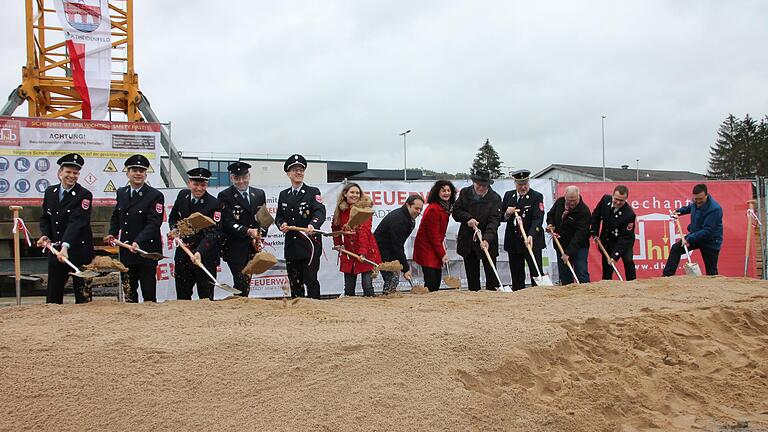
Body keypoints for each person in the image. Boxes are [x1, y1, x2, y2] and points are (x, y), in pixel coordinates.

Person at [104, 154, 165, 302]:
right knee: (129, 292)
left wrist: (138, 241)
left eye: (141, 171)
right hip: (126, 250)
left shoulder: (155, 195)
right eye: (134, 170)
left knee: (148, 292)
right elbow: (117, 216)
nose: (138, 173)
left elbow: (153, 223)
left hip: (146, 251)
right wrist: (112, 233)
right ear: (127, 173)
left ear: (145, 174)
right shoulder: (122, 192)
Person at [37, 153, 95, 304]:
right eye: (68, 172)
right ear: (60, 173)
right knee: (53, 297)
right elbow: (46, 217)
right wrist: (45, 235)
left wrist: (66, 245)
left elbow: (77, 222)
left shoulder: (84, 195)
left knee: (83, 296)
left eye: (75, 173)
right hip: (57, 252)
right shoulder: (50, 192)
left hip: (78, 252)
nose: (72, 176)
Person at [275, 154, 326, 299]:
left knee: (310, 279)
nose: (299, 173)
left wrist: (313, 224)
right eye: (295, 170)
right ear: (288, 173)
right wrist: (282, 225)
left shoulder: (313, 192)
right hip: (292, 246)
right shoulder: (283, 195)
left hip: (309, 245)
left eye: (301, 170)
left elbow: (320, 211)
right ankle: (298, 311)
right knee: (295, 281)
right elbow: (279, 217)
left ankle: (316, 307)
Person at [168, 167, 223, 301]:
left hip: (205, 257)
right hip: (183, 255)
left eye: (203, 185)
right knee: (183, 296)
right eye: (196, 184)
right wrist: (175, 229)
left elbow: (213, 233)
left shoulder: (214, 204)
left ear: (207, 185)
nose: (199, 188)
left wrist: (199, 252)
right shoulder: (182, 195)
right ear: (189, 183)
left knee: (206, 298)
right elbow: (173, 217)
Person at [217, 162, 267, 297]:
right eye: (237, 178)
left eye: (244, 177)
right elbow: (227, 222)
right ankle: (239, 306)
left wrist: (260, 237)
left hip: (253, 247)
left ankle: (242, 304)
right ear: (232, 178)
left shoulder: (259, 194)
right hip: (234, 247)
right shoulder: (224, 196)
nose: (241, 181)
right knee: (241, 280)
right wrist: (248, 231)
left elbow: (264, 220)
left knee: (246, 281)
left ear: (249, 176)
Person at [452, 170, 503, 291]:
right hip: (468, 241)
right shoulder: (465, 193)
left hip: (487, 241)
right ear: (473, 182)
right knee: (472, 276)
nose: (480, 188)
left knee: (491, 274)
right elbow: (456, 212)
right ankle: (474, 296)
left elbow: (494, 221)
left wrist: (486, 239)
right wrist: (467, 219)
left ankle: (492, 297)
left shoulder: (495, 198)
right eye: (478, 185)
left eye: (484, 185)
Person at [331, 183, 381, 296]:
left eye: (357, 193)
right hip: (349, 252)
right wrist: (338, 243)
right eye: (352, 192)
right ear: (345, 194)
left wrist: (362, 252)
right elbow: (335, 227)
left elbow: (364, 232)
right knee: (349, 287)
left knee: (367, 284)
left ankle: (372, 309)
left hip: (367, 250)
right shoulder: (340, 210)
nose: (355, 195)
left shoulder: (364, 210)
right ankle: (350, 311)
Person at [663, 183, 723, 276]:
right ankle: (667, 276)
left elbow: (707, 231)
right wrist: (678, 211)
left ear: (706, 195)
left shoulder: (715, 209)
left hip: (710, 241)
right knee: (676, 249)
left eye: (700, 199)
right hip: (695, 236)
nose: (698, 201)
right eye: (696, 199)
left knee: (711, 271)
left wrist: (689, 239)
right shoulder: (695, 203)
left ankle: (713, 287)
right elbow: (689, 208)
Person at [501, 169, 545, 290]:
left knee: (536, 272)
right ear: (515, 183)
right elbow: (500, 217)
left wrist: (531, 235)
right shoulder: (509, 196)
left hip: (531, 241)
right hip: (514, 243)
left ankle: (538, 296)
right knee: (516, 275)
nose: (523, 187)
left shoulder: (536, 196)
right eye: (520, 184)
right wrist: (507, 213)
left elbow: (538, 219)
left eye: (525, 184)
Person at [374, 194, 424, 294]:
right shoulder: (399, 220)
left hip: (389, 249)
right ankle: (387, 298)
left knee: (393, 278)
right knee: (392, 279)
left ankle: (389, 295)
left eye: (420, 209)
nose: (419, 212)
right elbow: (397, 246)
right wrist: (405, 268)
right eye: (416, 208)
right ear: (408, 205)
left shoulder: (407, 217)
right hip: (380, 250)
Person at [413, 180, 456, 292]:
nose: (446, 193)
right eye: (443, 190)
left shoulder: (445, 208)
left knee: (436, 279)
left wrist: (442, 246)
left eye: (448, 190)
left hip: (434, 248)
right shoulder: (433, 209)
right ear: (437, 192)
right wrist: (442, 254)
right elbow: (433, 235)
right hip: (427, 249)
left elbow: (439, 233)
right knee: (432, 281)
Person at [590, 184, 637, 281]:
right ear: (612, 195)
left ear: (626, 199)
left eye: (622, 200)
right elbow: (596, 215)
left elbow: (625, 238)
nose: (618, 202)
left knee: (628, 261)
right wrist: (594, 232)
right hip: (607, 239)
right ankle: (607, 286)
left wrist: (615, 256)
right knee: (607, 266)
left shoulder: (629, 214)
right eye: (616, 199)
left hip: (623, 241)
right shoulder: (605, 200)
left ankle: (632, 283)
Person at [546, 185, 591, 285]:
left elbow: (580, 235)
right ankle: (567, 296)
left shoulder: (584, 211)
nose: (571, 203)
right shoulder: (560, 202)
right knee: (564, 274)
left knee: (581, 272)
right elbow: (551, 215)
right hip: (561, 244)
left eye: (574, 200)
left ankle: (587, 294)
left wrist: (568, 253)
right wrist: (550, 224)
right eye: (569, 200)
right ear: (565, 196)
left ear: (578, 196)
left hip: (579, 246)